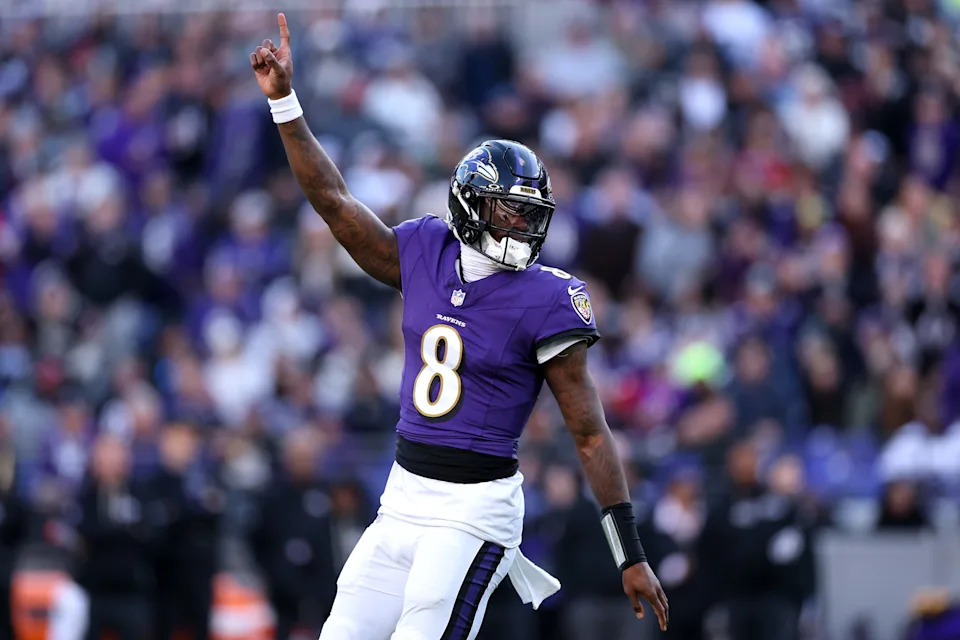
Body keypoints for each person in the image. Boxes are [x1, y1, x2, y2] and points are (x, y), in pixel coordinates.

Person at [250, 14, 668, 640]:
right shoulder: (424, 250)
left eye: (532, 214)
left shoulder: (549, 296)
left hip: (475, 512)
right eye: (511, 210)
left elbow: (589, 432)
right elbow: (334, 202)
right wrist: (284, 102)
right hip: (402, 497)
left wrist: (629, 551)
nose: (525, 225)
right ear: (472, 203)